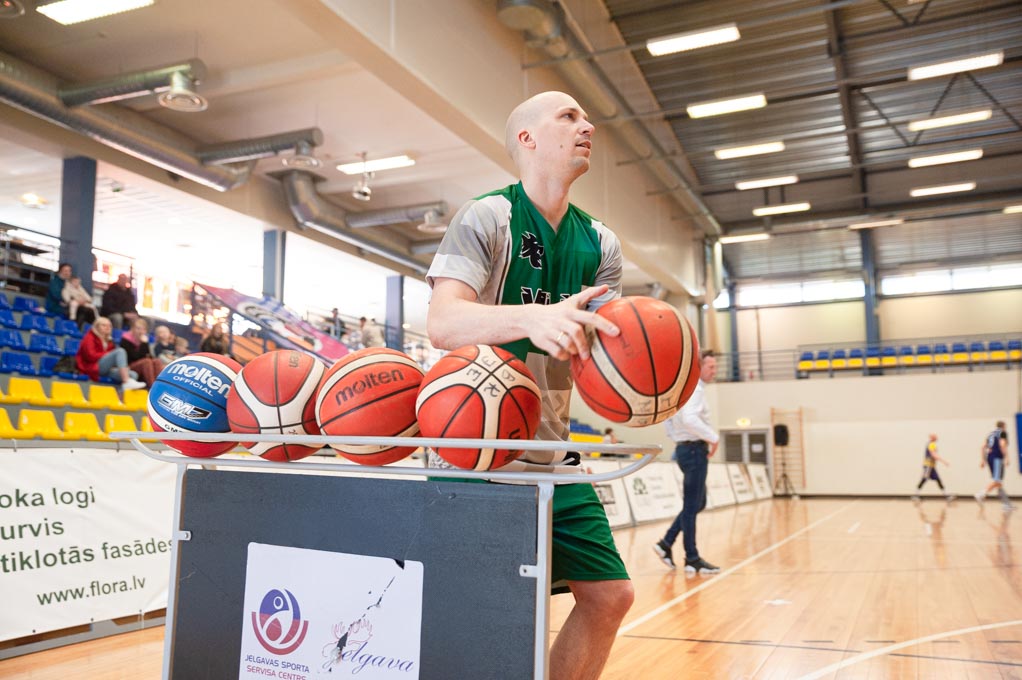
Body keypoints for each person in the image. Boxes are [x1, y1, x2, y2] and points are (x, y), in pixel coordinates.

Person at [426, 91, 631, 680]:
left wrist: (643, 379)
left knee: (610, 596)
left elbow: (608, 352)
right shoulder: (487, 216)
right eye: (568, 116)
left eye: (586, 117)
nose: (588, 124)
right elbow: (443, 323)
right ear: (527, 138)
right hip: (473, 448)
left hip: (551, 451)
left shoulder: (602, 243)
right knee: (492, 614)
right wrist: (533, 318)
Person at [653, 350, 722, 575]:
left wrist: (676, 438)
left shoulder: (681, 391)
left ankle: (666, 543)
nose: (715, 371)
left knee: (697, 503)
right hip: (694, 450)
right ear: (699, 367)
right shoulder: (695, 390)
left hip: (686, 449)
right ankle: (692, 558)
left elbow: (667, 419)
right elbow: (690, 419)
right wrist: (713, 437)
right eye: (711, 367)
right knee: (692, 506)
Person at [75, 316, 145, 391]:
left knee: (133, 375)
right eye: (104, 325)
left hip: (106, 369)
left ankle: (119, 395)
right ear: (96, 326)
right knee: (120, 351)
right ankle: (126, 381)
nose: (107, 327)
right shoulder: (89, 337)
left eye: (109, 326)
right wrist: (107, 355)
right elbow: (90, 356)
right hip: (92, 367)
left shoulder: (109, 340)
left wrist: (121, 367)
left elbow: (113, 359)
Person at [976, 421, 1014, 510]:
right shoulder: (1002, 432)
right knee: (997, 481)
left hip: (990, 458)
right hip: (997, 458)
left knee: (999, 482)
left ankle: (1006, 504)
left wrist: (983, 460)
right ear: (1003, 426)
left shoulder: (991, 434)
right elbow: (1002, 445)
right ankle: (981, 494)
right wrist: (1007, 457)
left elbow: (983, 447)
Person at [119, 318, 164, 387]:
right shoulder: (125, 339)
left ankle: (161, 385)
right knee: (147, 361)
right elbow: (135, 357)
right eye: (138, 328)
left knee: (157, 361)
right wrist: (144, 344)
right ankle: (152, 387)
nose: (141, 331)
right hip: (129, 366)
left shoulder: (143, 340)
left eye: (143, 329)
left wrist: (144, 344)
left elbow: (149, 356)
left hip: (141, 364)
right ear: (132, 329)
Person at [911, 434, 953, 501]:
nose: (936, 437)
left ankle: (947, 496)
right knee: (924, 479)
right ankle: (916, 495)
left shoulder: (931, 444)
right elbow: (933, 454)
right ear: (932, 438)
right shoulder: (932, 444)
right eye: (934, 436)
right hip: (928, 466)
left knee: (938, 480)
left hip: (931, 466)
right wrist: (944, 461)